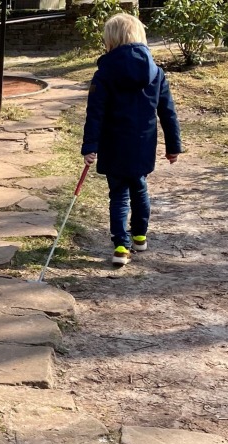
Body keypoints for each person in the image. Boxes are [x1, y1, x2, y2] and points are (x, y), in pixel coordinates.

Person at [81, 13, 181, 267]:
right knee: (139, 187)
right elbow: (168, 112)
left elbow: (95, 114)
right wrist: (173, 147)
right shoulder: (156, 73)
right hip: (142, 146)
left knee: (118, 196)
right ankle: (139, 236)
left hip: (114, 146)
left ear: (110, 40)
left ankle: (121, 246)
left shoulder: (103, 74)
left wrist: (90, 146)